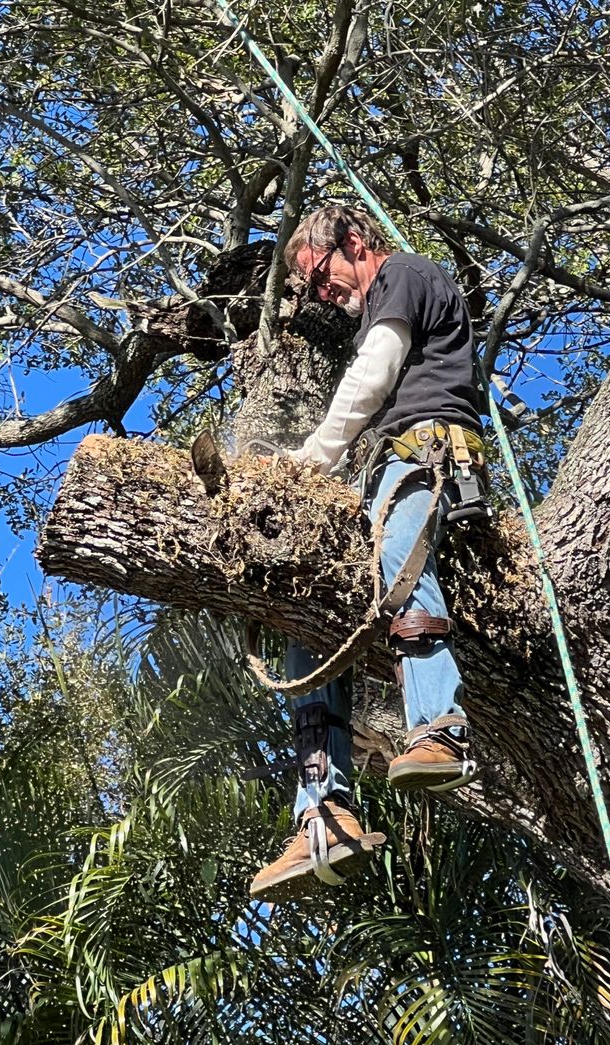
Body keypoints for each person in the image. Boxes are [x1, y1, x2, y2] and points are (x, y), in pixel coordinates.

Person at [249, 205, 488, 903]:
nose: (322, 295)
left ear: (353, 242)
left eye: (319, 276)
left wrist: (312, 458)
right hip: (389, 463)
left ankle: (441, 729)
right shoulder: (382, 286)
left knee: (400, 569)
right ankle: (322, 811)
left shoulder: (405, 275)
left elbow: (375, 370)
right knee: (307, 617)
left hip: (425, 451)